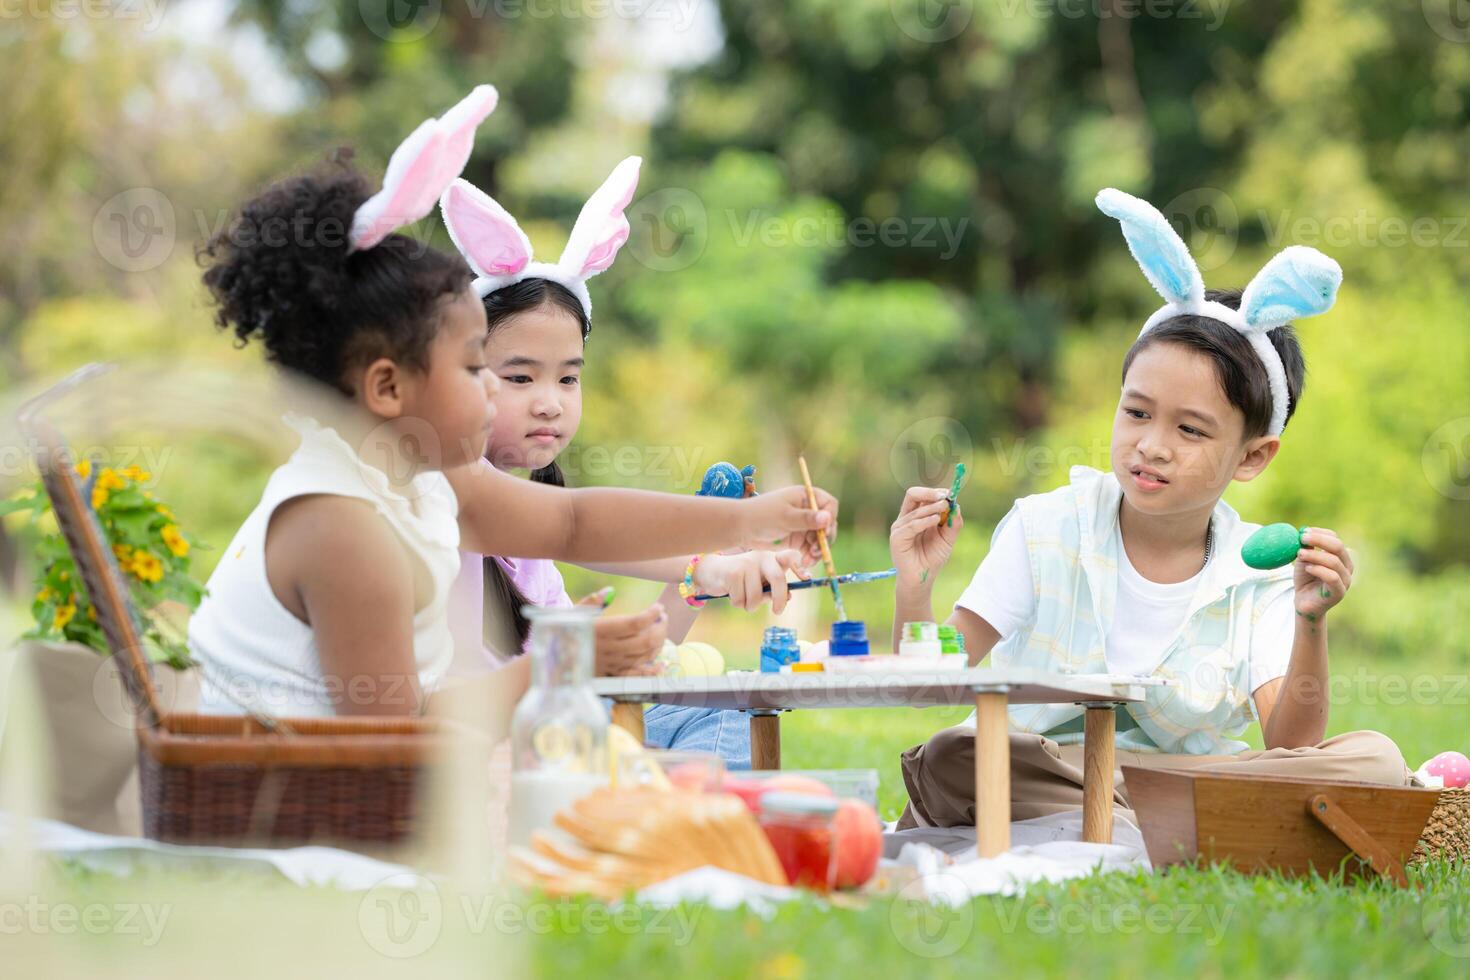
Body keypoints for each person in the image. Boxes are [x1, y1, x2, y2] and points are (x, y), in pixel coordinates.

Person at [188, 87, 838, 719]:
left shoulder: (425, 480)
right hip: (288, 818)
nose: (496, 389)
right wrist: (567, 659)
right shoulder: (341, 524)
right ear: (387, 387)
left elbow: (572, 523)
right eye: (477, 367)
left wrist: (752, 518)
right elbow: (391, 743)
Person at [888, 187, 1408, 831]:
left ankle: (1138, 820)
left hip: (1185, 779)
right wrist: (915, 587)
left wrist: (1311, 622)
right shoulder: (1046, 527)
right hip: (1044, 768)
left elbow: (1289, 746)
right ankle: (1181, 825)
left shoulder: (1261, 573)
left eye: (1191, 430)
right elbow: (923, 688)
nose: (1152, 446)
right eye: (1136, 413)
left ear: (1252, 456)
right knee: (954, 755)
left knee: (1376, 762)